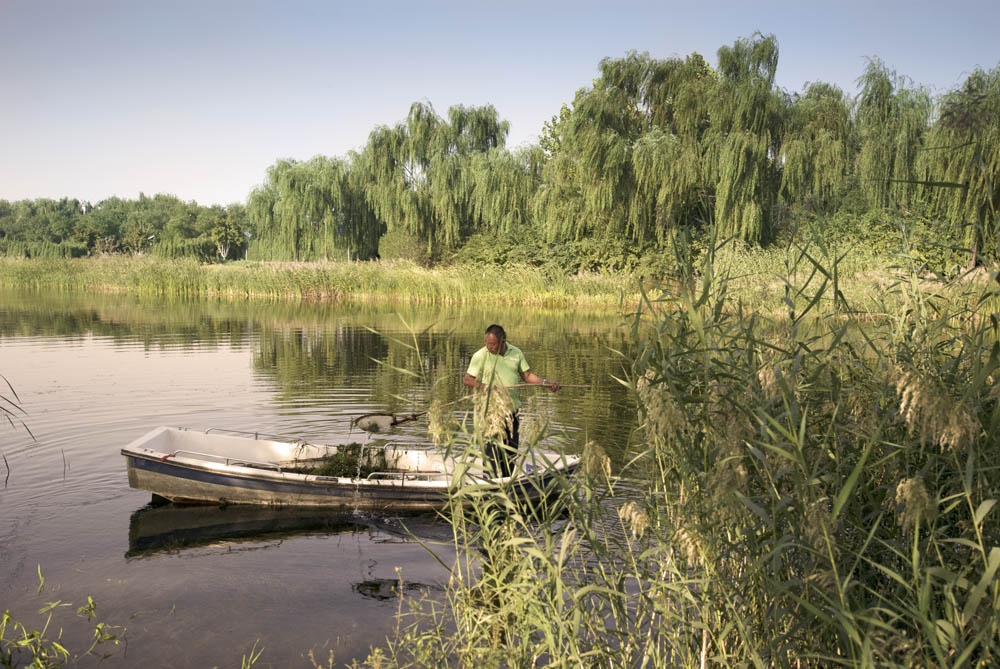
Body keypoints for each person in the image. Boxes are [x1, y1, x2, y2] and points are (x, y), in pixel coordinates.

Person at [464, 324, 560, 478]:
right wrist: (484, 387)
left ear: (503, 341)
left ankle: (507, 483)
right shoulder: (480, 355)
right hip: (491, 413)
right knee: (492, 453)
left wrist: (546, 384)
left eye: (493, 344)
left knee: (510, 452)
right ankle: (490, 484)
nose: (489, 347)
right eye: (487, 343)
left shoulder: (516, 353)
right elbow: (468, 379)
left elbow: (527, 376)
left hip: (512, 412)